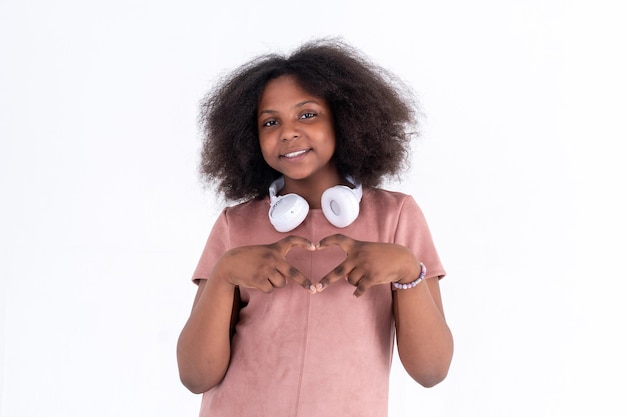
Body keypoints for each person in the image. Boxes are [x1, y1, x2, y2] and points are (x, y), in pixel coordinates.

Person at [177, 38, 453, 417]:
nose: (288, 132)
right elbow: (195, 376)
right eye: (270, 122)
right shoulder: (235, 226)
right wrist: (224, 274)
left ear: (344, 118)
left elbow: (431, 370)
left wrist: (407, 269)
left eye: (307, 115)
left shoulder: (396, 217)